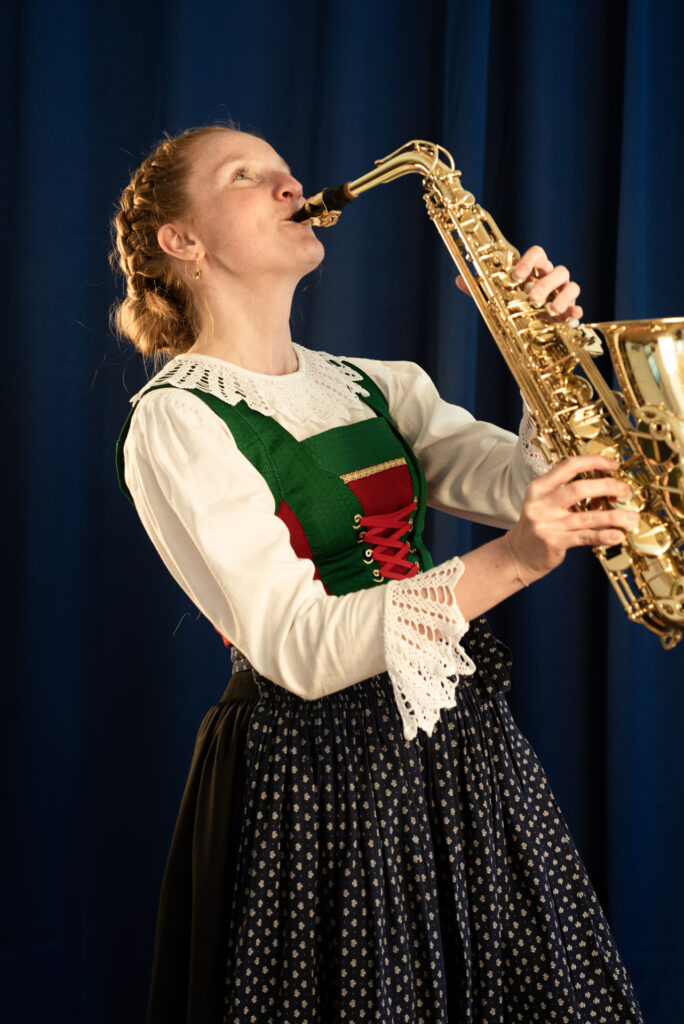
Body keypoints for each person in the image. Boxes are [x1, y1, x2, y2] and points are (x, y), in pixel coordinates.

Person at [111, 123, 645, 1024]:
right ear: (182, 240)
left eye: (286, 171)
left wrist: (542, 359)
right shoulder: (178, 419)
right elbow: (298, 649)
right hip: (317, 769)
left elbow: (519, 484)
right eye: (246, 176)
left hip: (454, 738)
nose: (289, 186)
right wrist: (516, 559)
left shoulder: (373, 383)